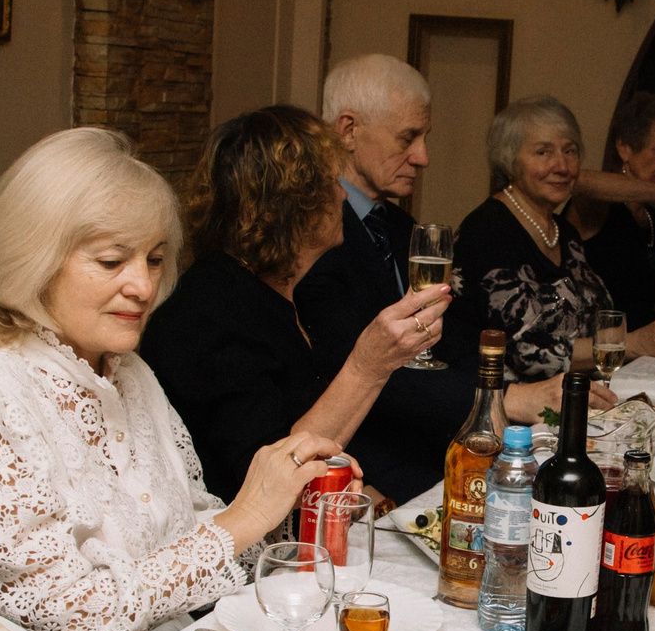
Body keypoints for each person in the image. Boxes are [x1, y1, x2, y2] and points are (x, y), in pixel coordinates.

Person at [0, 126, 363, 631]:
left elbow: (193, 541)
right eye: (112, 262)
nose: (143, 287)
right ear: (34, 258)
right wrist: (246, 516)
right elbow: (69, 621)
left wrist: (298, 504)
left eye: (155, 259)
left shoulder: (126, 372)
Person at [140, 107, 446, 505]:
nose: (341, 194)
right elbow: (258, 484)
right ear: (291, 201)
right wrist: (368, 365)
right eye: (331, 182)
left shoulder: (293, 288)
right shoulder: (206, 315)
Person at [293, 55, 560, 503]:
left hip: (432, 447)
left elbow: (445, 341)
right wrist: (508, 399)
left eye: (424, 138)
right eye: (407, 138)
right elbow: (353, 361)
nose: (423, 157)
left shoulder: (397, 225)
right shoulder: (316, 230)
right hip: (363, 472)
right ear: (348, 130)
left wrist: (499, 393)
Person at [447, 96, 655, 385]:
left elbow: (597, 317)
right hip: (505, 409)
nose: (562, 166)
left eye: (570, 151)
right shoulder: (487, 232)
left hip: (572, 396)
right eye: (543, 152)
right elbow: (528, 351)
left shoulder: (564, 234)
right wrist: (634, 343)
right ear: (510, 160)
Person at [569, 89, 655, 330]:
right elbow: (579, 181)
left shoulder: (651, 215)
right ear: (624, 148)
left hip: (643, 348)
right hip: (595, 345)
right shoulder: (602, 202)